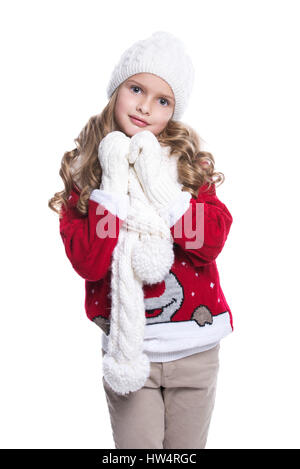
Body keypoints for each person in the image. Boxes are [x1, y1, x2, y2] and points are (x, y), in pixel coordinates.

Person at [49, 30, 234, 449]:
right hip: (128, 355)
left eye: (162, 99)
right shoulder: (85, 176)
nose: (146, 106)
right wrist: (112, 180)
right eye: (136, 89)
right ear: (117, 90)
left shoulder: (190, 167)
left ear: (174, 110)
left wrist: (160, 184)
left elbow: (206, 244)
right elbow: (91, 262)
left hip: (194, 347)